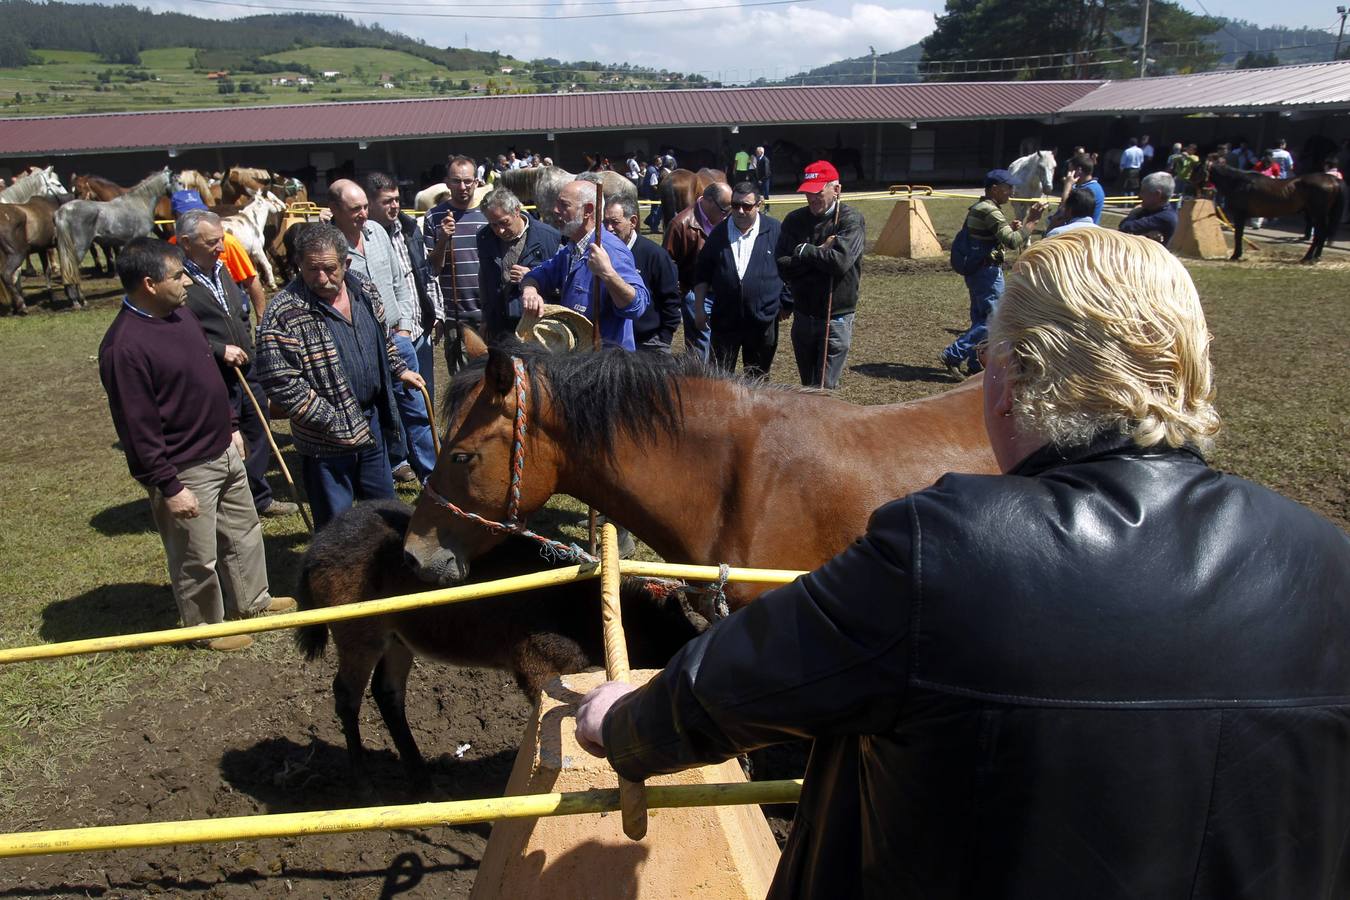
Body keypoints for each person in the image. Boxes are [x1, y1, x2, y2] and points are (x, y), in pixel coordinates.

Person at [575, 228, 1350, 899]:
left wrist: (627, 725)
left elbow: (741, 682)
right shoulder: (1328, 563)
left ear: (1009, 380)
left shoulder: (943, 551)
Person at [99, 238, 293, 652]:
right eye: (178, 275)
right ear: (149, 284)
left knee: (243, 531)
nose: (188, 281)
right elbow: (136, 425)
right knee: (196, 554)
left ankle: (253, 601)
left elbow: (208, 376)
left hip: (223, 448)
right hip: (184, 467)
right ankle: (205, 628)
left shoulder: (179, 315)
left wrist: (231, 426)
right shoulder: (124, 347)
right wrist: (168, 485)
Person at [255, 223, 425, 529]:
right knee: (336, 524)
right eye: (311, 269)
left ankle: (386, 567)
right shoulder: (283, 313)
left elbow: (382, 341)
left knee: (386, 513)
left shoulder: (364, 290)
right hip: (324, 439)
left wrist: (400, 370)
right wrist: (334, 421)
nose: (321, 278)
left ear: (346, 263)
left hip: (371, 420)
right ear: (299, 266)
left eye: (330, 268)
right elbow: (283, 384)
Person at [175, 207, 297, 520]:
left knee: (258, 430)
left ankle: (259, 498)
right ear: (186, 242)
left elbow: (238, 312)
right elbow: (175, 332)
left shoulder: (222, 268)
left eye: (220, 239)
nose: (220, 247)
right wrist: (217, 349)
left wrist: (249, 338)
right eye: (211, 242)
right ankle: (232, 504)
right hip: (213, 374)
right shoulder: (178, 280)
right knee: (226, 441)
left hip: (246, 368)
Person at [365, 171, 444, 482]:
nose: (394, 206)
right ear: (369, 203)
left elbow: (418, 276)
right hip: (380, 338)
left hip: (413, 329)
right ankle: (396, 460)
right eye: (387, 201)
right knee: (386, 404)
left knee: (418, 403)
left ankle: (430, 467)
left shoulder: (409, 228)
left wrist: (425, 316)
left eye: (397, 199)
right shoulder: (357, 237)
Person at [519, 179, 649, 350]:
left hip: (607, 364)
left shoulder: (611, 251)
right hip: (579, 358)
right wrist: (530, 290)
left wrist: (608, 274)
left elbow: (637, 306)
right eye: (557, 204)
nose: (555, 210)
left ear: (587, 211)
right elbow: (540, 274)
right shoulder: (571, 248)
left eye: (564, 205)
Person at [940, 168, 1043, 379]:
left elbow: (996, 235)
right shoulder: (990, 210)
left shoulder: (982, 207)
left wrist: (1012, 227)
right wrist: (1031, 221)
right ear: (995, 189)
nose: (1011, 191)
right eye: (1008, 187)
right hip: (987, 272)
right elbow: (1013, 241)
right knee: (994, 319)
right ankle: (953, 354)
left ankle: (974, 362)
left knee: (981, 318)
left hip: (978, 271)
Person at [776, 160, 865, 390]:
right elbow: (782, 265)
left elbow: (840, 263)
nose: (812, 198)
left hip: (835, 319)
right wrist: (821, 252)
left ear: (836, 190)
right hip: (803, 316)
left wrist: (804, 251)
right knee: (807, 385)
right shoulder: (794, 220)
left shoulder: (850, 220)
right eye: (808, 193)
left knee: (824, 387)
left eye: (818, 192)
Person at [688, 182, 787, 377]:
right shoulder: (718, 233)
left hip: (762, 321)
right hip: (725, 321)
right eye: (735, 205)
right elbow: (703, 272)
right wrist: (699, 309)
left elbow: (790, 266)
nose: (740, 211)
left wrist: (786, 301)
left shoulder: (775, 230)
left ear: (759, 204)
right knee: (719, 380)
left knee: (757, 381)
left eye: (747, 206)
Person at [424, 154, 488, 373]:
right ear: (447, 182)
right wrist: (442, 239)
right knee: (461, 383)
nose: (463, 187)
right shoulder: (434, 217)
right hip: (455, 316)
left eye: (468, 181)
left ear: (476, 182)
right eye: (456, 181)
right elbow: (433, 267)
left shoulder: (488, 214)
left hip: (488, 313)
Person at [477, 187, 563, 342]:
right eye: (493, 225)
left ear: (516, 211)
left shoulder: (549, 238)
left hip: (537, 326)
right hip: (499, 326)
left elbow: (565, 282)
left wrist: (533, 277)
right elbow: (484, 278)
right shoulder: (484, 237)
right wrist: (485, 318)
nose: (500, 230)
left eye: (504, 222)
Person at [169, 190, 267, 320]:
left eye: (199, 213)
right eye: (187, 214)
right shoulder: (170, 249)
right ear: (175, 216)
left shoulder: (228, 243)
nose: (195, 219)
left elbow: (252, 280)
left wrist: (261, 320)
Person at [602, 195, 681, 353]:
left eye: (615, 222)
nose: (609, 228)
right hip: (611, 342)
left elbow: (670, 300)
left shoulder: (655, 255)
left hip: (647, 343)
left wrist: (663, 339)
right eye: (605, 222)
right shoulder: (601, 253)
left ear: (632, 222)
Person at [665, 181, 733, 360]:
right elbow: (668, 263)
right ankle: (700, 380)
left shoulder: (725, 221)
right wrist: (679, 294)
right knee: (700, 346)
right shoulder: (680, 224)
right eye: (724, 210)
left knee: (721, 342)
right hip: (694, 293)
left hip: (722, 291)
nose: (727, 215)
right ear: (708, 201)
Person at [1118, 172, 1179, 245]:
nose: (1140, 195)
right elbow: (1122, 228)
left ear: (1157, 194)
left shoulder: (1165, 217)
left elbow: (1126, 227)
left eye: (1144, 191)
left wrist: (1133, 213)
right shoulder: (1149, 209)